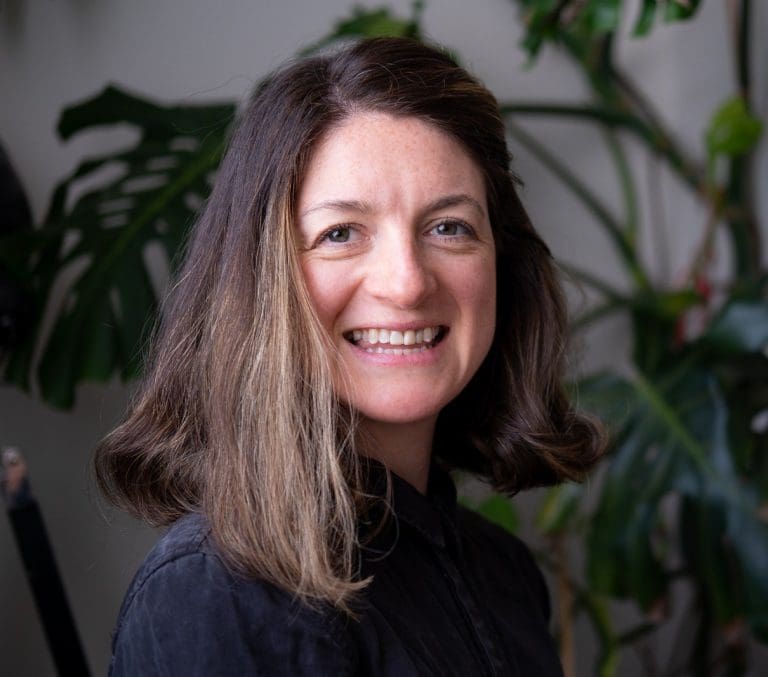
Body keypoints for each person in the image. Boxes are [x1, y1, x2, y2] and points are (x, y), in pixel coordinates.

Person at [95, 36, 604, 676]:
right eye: (340, 234)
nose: (408, 282)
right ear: (261, 281)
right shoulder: (216, 592)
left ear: (503, 262)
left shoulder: (503, 572)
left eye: (449, 227)